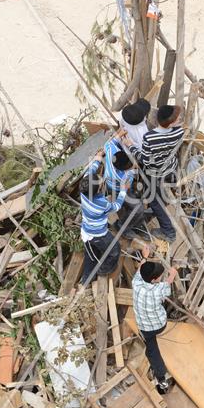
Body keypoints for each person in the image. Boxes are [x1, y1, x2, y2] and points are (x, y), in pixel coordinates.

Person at [124, 105, 184, 242]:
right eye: (176, 119)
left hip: (156, 173)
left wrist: (130, 145)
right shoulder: (179, 132)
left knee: (153, 200)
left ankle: (169, 232)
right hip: (171, 168)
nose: (179, 120)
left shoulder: (150, 137)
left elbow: (144, 159)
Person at [132, 245, 178, 393]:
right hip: (159, 325)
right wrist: (172, 274)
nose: (161, 278)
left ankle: (160, 376)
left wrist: (145, 257)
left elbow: (140, 270)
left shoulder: (136, 283)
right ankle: (161, 378)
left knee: (151, 346)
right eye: (159, 277)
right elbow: (169, 282)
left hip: (144, 326)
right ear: (153, 280)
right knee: (153, 351)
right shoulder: (160, 289)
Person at [80, 149, 129, 284]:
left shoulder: (84, 189)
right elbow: (117, 206)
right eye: (101, 184)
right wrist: (123, 190)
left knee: (90, 257)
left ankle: (85, 281)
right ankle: (104, 270)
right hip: (98, 234)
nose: (102, 182)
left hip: (87, 229)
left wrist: (97, 158)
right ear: (98, 191)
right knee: (115, 250)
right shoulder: (102, 204)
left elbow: (91, 171)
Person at [105, 130, 149, 240]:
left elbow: (109, 142)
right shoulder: (121, 177)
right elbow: (127, 186)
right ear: (123, 170)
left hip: (112, 184)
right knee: (138, 209)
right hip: (119, 189)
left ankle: (136, 224)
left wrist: (120, 133)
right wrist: (135, 167)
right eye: (130, 167)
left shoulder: (111, 151)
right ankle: (123, 227)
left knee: (138, 203)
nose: (132, 166)